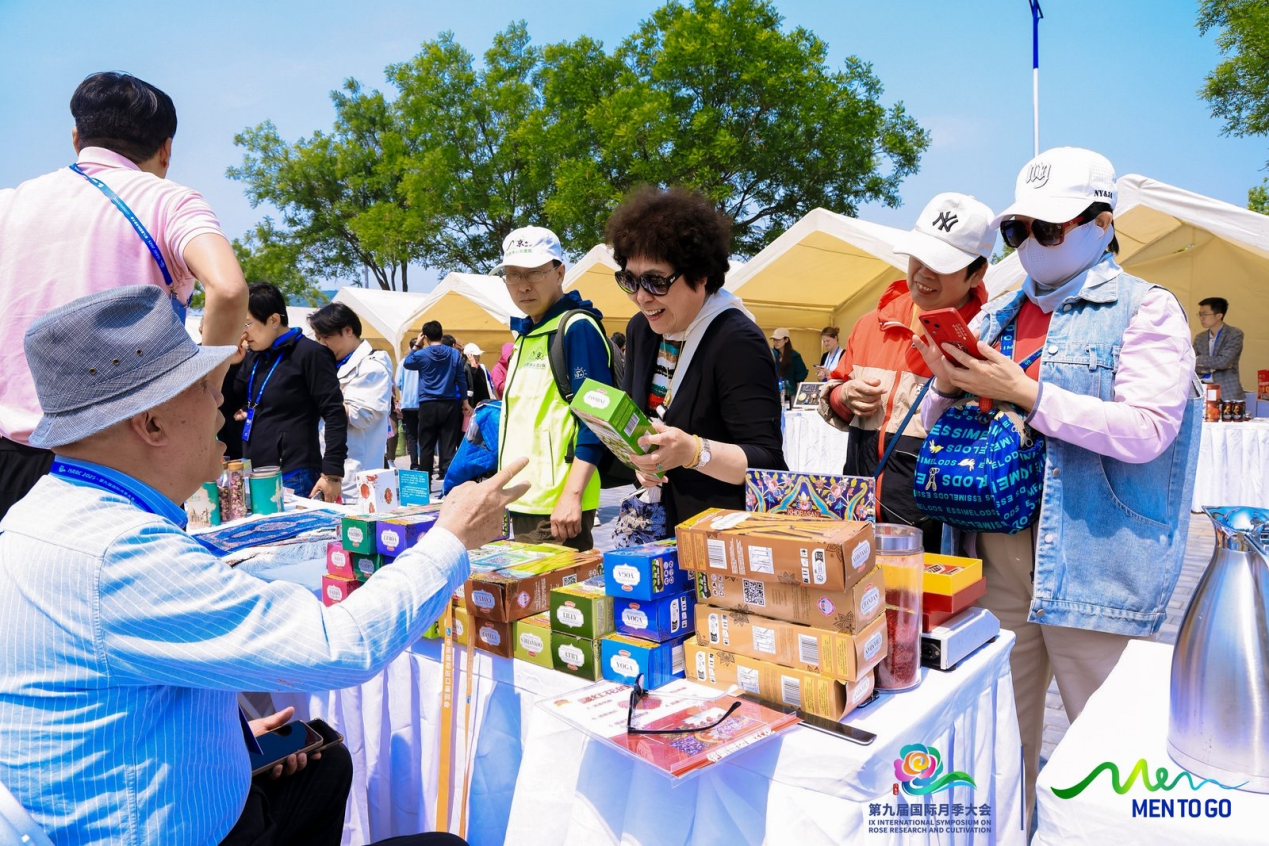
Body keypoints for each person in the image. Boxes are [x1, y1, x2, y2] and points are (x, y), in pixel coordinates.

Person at [0, 283, 521, 845]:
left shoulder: (45, 512)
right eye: (204, 388)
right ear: (151, 425)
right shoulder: (118, 554)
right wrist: (451, 539)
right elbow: (340, 646)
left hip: (150, 796)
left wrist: (228, 737)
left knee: (325, 765)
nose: (221, 405)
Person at [913, 148, 1201, 823]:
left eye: (1048, 229)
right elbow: (936, 421)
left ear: (1101, 224)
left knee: (1109, 752)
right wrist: (948, 387)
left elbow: (1148, 430)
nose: (1030, 245)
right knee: (999, 741)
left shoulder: (1145, 309)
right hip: (993, 551)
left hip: (1094, 554)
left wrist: (1029, 395)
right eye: (1019, 230)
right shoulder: (996, 317)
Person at [0, 71, 248, 520]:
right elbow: (229, 290)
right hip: (114, 460)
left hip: (9, 452)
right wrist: (208, 389)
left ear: (77, 137)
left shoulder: (10, 203)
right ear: (167, 148)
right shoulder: (167, 201)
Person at [819, 193, 994, 551]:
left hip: (944, 530)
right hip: (858, 518)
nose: (925, 273)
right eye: (919, 256)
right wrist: (844, 395)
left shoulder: (991, 336)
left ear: (977, 272)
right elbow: (831, 399)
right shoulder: (872, 323)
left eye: (942, 264)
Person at [611, 186, 787, 527]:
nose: (641, 297)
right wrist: (640, 464)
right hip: (655, 526)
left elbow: (768, 464)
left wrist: (694, 452)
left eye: (656, 281)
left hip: (721, 532)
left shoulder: (736, 340)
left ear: (701, 276)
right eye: (631, 280)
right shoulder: (641, 330)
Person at [495, 226, 617, 550]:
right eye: (512, 275)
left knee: (552, 602)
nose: (523, 285)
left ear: (559, 272)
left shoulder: (576, 328)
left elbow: (596, 418)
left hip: (557, 512)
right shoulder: (526, 335)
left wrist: (572, 495)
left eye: (534, 273)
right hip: (522, 502)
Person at [231, 283, 347, 502]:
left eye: (247, 323)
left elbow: (334, 413)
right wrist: (232, 365)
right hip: (254, 470)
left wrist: (332, 473)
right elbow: (229, 403)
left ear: (274, 320)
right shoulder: (253, 357)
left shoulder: (310, 354)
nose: (243, 334)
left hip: (294, 471)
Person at [308, 302, 394, 501]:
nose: (321, 344)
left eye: (326, 337)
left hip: (355, 474)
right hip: (328, 466)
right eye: (318, 338)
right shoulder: (333, 363)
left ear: (348, 331)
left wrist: (326, 399)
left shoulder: (373, 367)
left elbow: (360, 416)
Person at [404, 321, 469, 483]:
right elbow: (461, 379)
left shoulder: (421, 354)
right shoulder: (454, 354)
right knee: (448, 446)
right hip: (449, 403)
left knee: (426, 445)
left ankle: (424, 484)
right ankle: (449, 483)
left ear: (424, 336)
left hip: (427, 404)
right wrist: (465, 402)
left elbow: (407, 363)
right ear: (441, 333)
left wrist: (416, 346)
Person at [1193, 296, 1244, 402]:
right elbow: (1191, 363)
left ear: (1219, 315)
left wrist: (1200, 359)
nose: (1201, 318)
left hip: (1227, 393)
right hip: (1203, 390)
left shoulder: (1234, 334)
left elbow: (1224, 362)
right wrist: (1214, 364)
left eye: (1205, 314)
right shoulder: (1200, 337)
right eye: (1200, 314)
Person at [397, 339, 422, 469]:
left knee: (411, 436)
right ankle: (425, 462)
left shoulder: (403, 362)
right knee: (424, 434)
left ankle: (414, 464)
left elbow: (398, 382)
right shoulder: (423, 361)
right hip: (421, 403)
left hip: (407, 404)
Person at [770, 328, 808, 403]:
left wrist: (798, 397)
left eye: (778, 340)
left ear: (786, 340)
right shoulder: (772, 355)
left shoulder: (795, 356)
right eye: (774, 340)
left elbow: (799, 378)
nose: (775, 342)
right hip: (774, 394)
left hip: (790, 394)